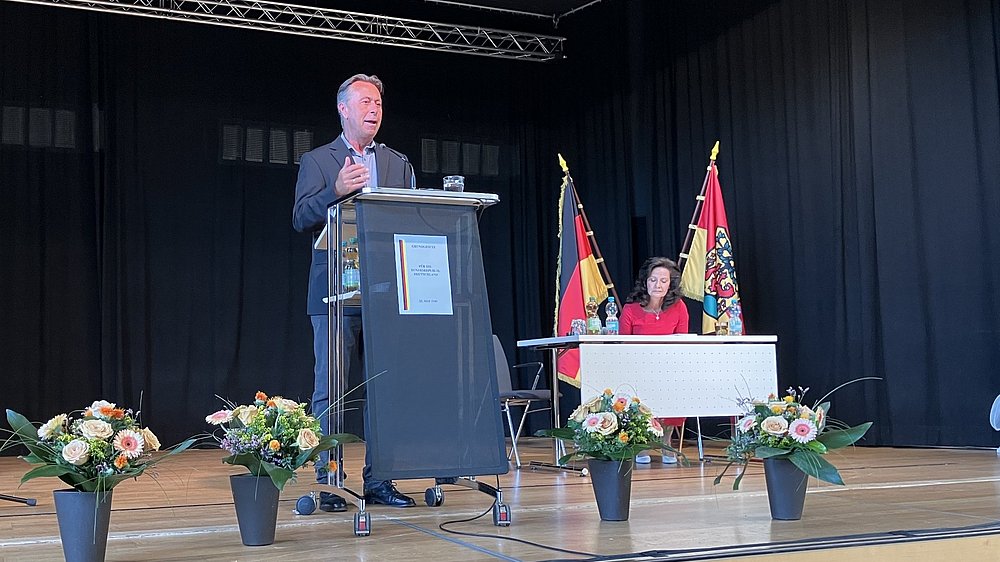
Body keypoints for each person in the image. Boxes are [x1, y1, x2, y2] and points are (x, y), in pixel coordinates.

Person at [292, 73, 416, 508]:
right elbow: (301, 217)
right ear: (343, 109)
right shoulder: (319, 160)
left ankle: (380, 479)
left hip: (387, 295)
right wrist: (335, 191)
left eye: (378, 103)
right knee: (331, 389)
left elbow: (412, 220)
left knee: (386, 387)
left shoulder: (398, 163)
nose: (374, 109)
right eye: (365, 102)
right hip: (333, 296)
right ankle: (329, 482)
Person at [619, 256, 690, 464]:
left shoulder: (679, 307)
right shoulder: (631, 309)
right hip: (636, 367)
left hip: (669, 366)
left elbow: (682, 341)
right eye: (653, 280)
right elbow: (622, 345)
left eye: (663, 280)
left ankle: (667, 441)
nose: (657, 285)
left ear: (670, 284)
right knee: (638, 389)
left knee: (676, 385)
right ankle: (643, 443)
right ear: (645, 282)